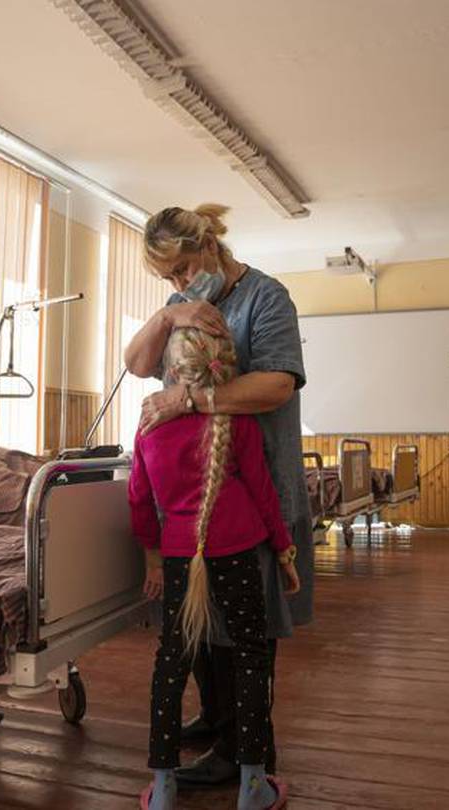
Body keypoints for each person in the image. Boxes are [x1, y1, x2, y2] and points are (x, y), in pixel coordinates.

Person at [124, 204, 312, 785]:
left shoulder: (265, 297)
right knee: (197, 625)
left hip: (248, 491)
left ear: (210, 246)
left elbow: (277, 383)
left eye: (184, 268)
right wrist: (169, 315)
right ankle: (217, 717)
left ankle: (242, 749)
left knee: (244, 631)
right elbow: (136, 364)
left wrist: (187, 400)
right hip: (186, 502)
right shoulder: (178, 305)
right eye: (168, 278)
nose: (179, 283)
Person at [129, 326, 298, 810]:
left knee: (171, 661)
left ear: (172, 374)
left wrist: (153, 555)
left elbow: (139, 501)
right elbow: (264, 494)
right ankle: (252, 785)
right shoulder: (237, 421)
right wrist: (284, 552)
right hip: (240, 549)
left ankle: (162, 786)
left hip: (181, 553)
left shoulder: (150, 427)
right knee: (250, 657)